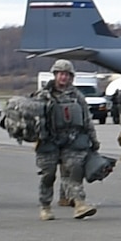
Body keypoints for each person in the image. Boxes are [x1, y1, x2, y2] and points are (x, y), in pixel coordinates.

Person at [35, 59, 100, 220]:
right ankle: (45, 206)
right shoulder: (43, 95)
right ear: (55, 75)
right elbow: (34, 119)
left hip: (72, 140)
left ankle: (79, 204)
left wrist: (94, 140)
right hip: (49, 140)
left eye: (67, 74)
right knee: (48, 175)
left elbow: (87, 120)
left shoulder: (77, 96)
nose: (64, 77)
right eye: (61, 74)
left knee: (75, 170)